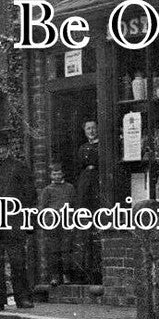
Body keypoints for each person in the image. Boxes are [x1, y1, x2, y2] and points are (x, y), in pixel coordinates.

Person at [0, 127, 36, 312]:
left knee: (17, 261)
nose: (0, 150)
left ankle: (23, 298)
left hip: (13, 221)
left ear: (8, 147)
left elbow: (30, 195)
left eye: (3, 147)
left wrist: (26, 219)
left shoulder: (19, 167)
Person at [73, 121, 101, 284]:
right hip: (85, 184)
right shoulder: (82, 148)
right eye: (88, 128)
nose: (91, 131)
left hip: (97, 183)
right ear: (85, 131)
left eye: (94, 128)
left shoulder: (102, 145)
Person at [38, 163, 74, 286]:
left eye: (59, 174)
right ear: (50, 175)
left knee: (66, 250)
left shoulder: (69, 188)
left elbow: (74, 204)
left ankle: (66, 276)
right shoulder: (47, 190)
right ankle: (55, 277)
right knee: (54, 250)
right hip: (52, 223)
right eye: (54, 174)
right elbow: (42, 208)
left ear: (63, 174)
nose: (57, 176)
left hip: (66, 222)